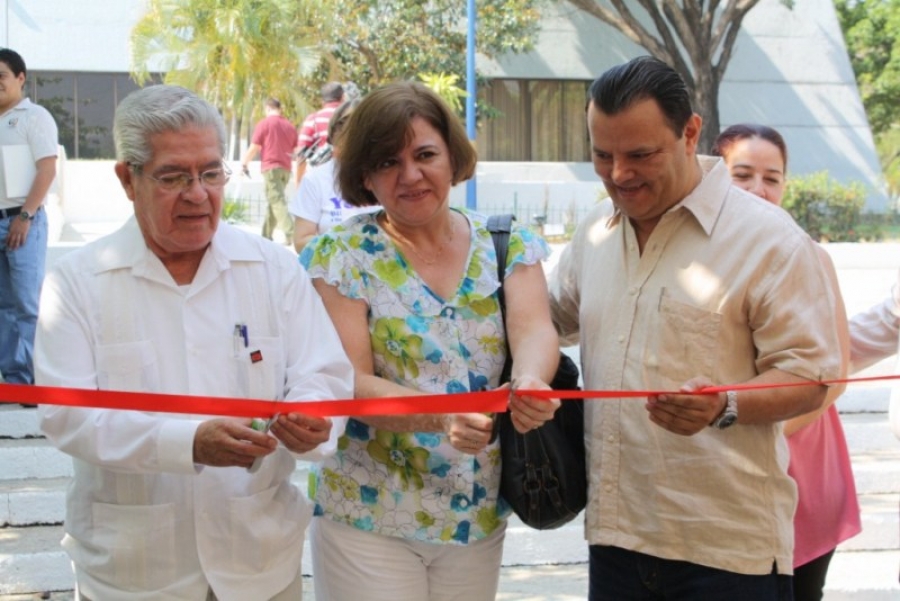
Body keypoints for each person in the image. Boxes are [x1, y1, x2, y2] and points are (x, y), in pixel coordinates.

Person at [36, 85, 354, 601]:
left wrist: (312, 419)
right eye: (173, 176)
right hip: (135, 571)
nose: (198, 193)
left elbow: (323, 373)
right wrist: (186, 444)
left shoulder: (271, 268)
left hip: (258, 563)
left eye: (210, 172)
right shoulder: (77, 282)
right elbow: (67, 416)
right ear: (127, 179)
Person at [548, 56, 841, 600]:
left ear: (690, 133)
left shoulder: (769, 240)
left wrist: (725, 404)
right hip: (615, 539)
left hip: (725, 553)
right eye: (601, 155)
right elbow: (546, 320)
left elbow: (812, 375)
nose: (618, 174)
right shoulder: (595, 232)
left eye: (640, 155)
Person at [299, 81, 561, 601]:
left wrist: (532, 379)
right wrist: (442, 417)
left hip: (475, 514)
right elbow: (348, 382)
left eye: (425, 155)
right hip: (369, 516)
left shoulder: (504, 244)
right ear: (365, 177)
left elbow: (534, 329)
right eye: (388, 162)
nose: (411, 175)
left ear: (452, 157)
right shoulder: (340, 256)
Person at [713, 123, 861, 601]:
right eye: (743, 174)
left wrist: (756, 431)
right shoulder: (697, 257)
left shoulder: (810, 257)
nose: (759, 189)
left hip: (798, 458)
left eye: (772, 178)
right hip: (717, 473)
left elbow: (833, 376)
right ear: (715, 174)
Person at [0, 48, 58, 403]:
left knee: (27, 305)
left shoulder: (34, 116)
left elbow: (47, 169)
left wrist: (26, 216)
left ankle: (40, 381)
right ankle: (15, 381)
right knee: (2, 307)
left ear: (20, 78)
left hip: (23, 221)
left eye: (1, 77)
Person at [288, 98, 377, 252]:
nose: (353, 130)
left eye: (363, 123)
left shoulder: (390, 175)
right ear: (332, 133)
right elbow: (301, 241)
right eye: (344, 123)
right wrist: (348, 245)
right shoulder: (316, 179)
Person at [240, 97, 297, 243]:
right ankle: (266, 235)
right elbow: (296, 149)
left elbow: (255, 147)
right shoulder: (289, 126)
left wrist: (244, 164)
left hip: (271, 167)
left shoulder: (265, 124)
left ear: (267, 108)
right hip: (286, 168)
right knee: (275, 201)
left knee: (277, 200)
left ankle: (291, 233)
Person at [294, 81, 344, 184]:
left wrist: (298, 182)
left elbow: (302, 154)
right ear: (343, 97)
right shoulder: (353, 117)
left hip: (323, 177)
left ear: (322, 101)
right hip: (349, 177)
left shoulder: (314, 119)